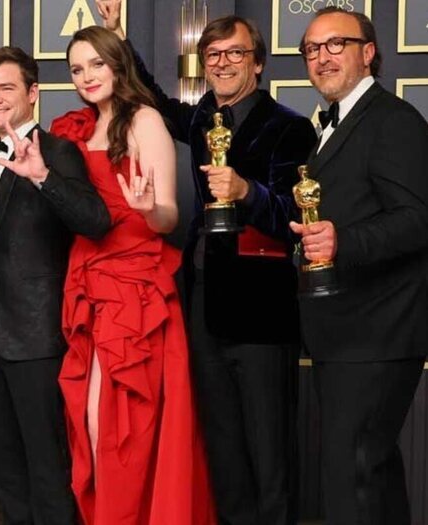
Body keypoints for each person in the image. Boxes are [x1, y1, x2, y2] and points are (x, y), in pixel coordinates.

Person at [95, 2, 318, 522]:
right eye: (213, 55)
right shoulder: (202, 120)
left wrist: (246, 191)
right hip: (204, 306)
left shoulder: (290, 129)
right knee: (222, 447)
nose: (222, 63)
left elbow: (295, 216)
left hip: (263, 313)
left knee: (269, 451)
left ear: (257, 62)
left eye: (235, 53)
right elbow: (150, 96)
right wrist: (118, 34)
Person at [50, 26, 215, 524]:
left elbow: (168, 216)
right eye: (77, 69)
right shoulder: (80, 127)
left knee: (123, 424)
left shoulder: (145, 120)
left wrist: (147, 209)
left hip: (134, 288)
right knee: (91, 420)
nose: (86, 76)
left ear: (118, 64)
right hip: (87, 280)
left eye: (96, 64)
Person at [292, 8, 428, 523]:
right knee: (371, 473)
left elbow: (418, 219)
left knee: (351, 478)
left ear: (368, 52)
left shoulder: (393, 121)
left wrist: (342, 240)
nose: (321, 57)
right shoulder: (337, 122)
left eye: (336, 44)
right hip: (347, 334)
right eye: (311, 49)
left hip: (378, 332)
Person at [0, 45, 111, 525]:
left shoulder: (58, 151)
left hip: (36, 335)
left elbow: (95, 220)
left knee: (47, 466)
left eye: (6, 88)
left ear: (33, 93)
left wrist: (44, 176)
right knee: (5, 468)